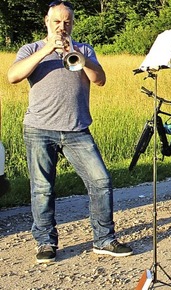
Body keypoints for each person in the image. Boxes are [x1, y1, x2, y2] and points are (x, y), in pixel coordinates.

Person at [6, 0, 133, 264]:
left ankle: (104, 240)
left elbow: (100, 80)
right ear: (47, 21)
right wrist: (47, 49)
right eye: (57, 22)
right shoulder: (31, 49)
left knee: (101, 182)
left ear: (73, 24)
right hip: (39, 129)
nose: (62, 27)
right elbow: (13, 76)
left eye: (67, 22)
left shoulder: (84, 49)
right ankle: (45, 243)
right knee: (42, 188)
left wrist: (80, 56)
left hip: (77, 128)